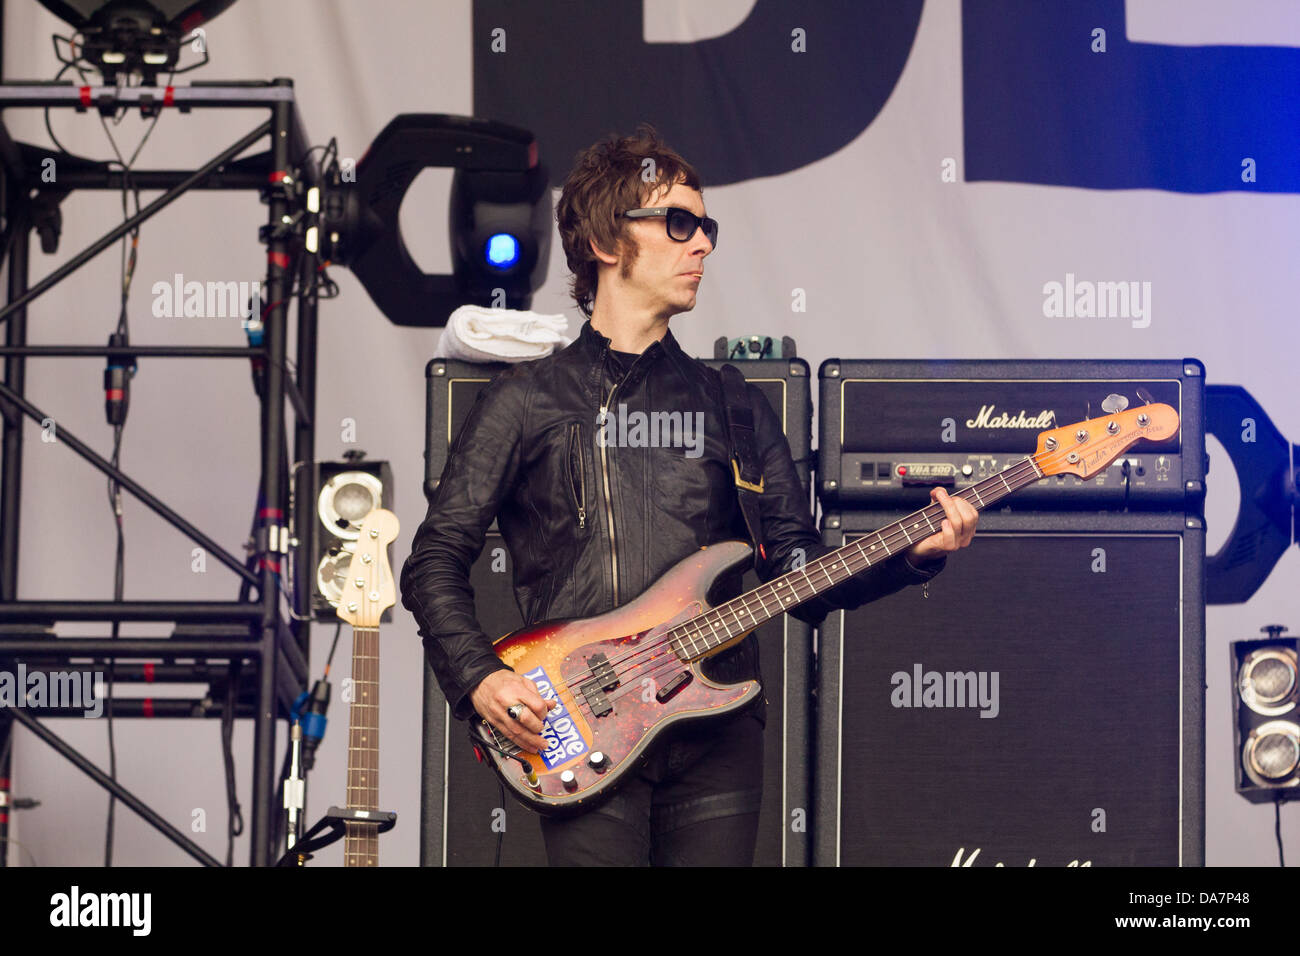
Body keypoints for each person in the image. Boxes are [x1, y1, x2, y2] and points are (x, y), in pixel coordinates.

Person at [399, 125, 978, 865]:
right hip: (581, 718)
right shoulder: (526, 401)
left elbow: (799, 573)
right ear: (607, 242)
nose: (701, 243)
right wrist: (477, 676)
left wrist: (912, 554)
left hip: (718, 730)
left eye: (707, 227)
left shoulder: (732, 404)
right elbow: (433, 562)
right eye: (678, 223)